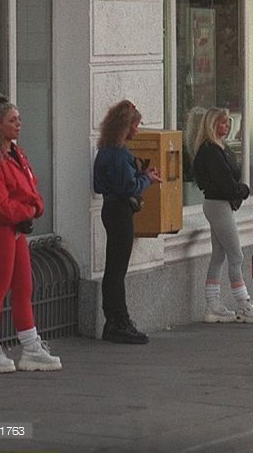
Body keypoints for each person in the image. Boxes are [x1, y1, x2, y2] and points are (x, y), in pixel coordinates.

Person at [0, 95, 60, 373]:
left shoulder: (15, 155)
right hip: (0, 229)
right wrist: (28, 211)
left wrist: (33, 208)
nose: (19, 124)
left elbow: (31, 190)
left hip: (15, 228)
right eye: (12, 120)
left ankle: (30, 345)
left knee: (23, 287)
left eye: (19, 119)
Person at [93, 100, 162, 344]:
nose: (138, 130)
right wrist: (147, 180)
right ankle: (118, 322)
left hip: (109, 208)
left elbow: (100, 184)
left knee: (114, 267)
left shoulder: (104, 151)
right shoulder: (120, 154)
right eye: (136, 125)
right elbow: (128, 187)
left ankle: (115, 320)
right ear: (126, 126)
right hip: (120, 210)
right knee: (117, 270)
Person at [194, 107, 253, 322]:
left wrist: (238, 189)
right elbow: (227, 182)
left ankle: (213, 304)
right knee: (236, 255)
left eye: (227, 123)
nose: (226, 126)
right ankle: (243, 303)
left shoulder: (217, 149)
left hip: (218, 203)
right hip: (219, 204)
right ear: (212, 125)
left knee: (219, 254)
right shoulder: (212, 152)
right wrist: (243, 190)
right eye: (222, 123)